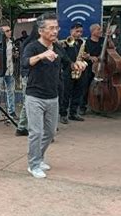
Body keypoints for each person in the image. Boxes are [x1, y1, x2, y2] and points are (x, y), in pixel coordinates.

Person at [22, 13, 85, 179]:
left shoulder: (58, 48)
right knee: (36, 132)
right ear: (41, 31)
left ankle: (39, 157)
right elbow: (24, 62)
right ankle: (33, 164)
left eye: (56, 27)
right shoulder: (33, 47)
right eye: (51, 28)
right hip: (34, 96)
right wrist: (41, 56)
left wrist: (76, 64)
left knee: (50, 132)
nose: (55, 31)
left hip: (53, 96)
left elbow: (67, 63)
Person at [59, 22, 86, 124]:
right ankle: (63, 114)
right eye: (77, 31)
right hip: (67, 70)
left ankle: (73, 112)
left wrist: (84, 58)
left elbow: (82, 56)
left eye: (81, 32)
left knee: (78, 92)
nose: (79, 34)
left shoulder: (81, 43)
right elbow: (62, 56)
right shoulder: (65, 42)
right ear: (71, 31)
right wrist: (70, 64)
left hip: (79, 70)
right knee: (66, 93)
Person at [79, 23, 104, 115]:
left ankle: (98, 107)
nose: (101, 31)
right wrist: (90, 57)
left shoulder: (103, 40)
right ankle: (82, 107)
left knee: (102, 87)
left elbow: (112, 48)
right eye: (98, 29)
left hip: (102, 67)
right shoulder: (87, 42)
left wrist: (109, 37)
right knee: (86, 86)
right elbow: (83, 55)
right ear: (93, 32)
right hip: (90, 68)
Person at [0, 19, 17, 119]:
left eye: (10, 30)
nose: (9, 32)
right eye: (7, 31)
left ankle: (12, 111)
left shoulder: (11, 42)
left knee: (11, 92)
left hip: (10, 70)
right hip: (1, 70)